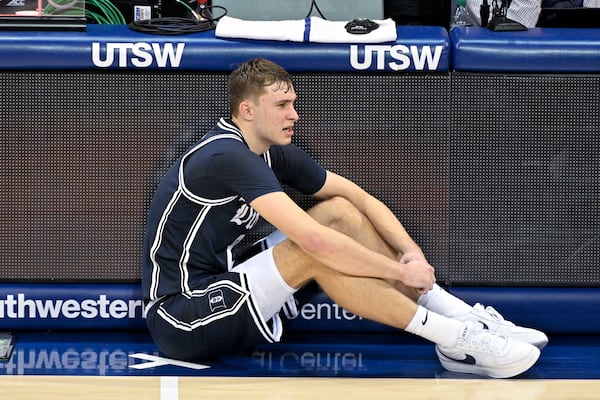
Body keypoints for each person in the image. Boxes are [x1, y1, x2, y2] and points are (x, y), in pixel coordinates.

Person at [141, 58, 548, 378]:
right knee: (315, 249)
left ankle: (461, 320)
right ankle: (456, 337)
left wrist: (412, 254)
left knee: (339, 212)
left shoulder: (270, 149)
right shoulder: (225, 156)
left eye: (294, 104)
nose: (294, 114)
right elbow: (316, 244)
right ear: (247, 110)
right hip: (182, 315)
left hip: (230, 280)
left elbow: (357, 196)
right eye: (282, 105)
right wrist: (400, 273)